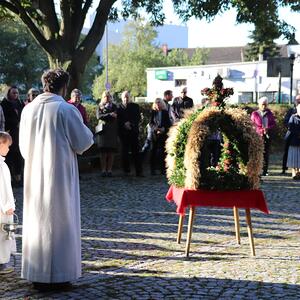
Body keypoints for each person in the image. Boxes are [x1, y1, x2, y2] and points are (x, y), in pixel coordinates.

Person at [19, 69, 94, 291]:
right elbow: (83, 142)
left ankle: (37, 273)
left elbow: (23, 147)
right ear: (64, 87)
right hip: (59, 173)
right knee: (60, 220)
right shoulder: (66, 109)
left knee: (38, 220)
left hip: (35, 171)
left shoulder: (28, 110)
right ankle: (60, 275)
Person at [0, 86, 24, 186]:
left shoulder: (20, 103)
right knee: (9, 155)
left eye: (17, 93)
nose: (15, 95)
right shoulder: (4, 104)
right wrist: (15, 123)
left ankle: (18, 178)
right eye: (13, 93)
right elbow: (3, 119)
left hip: (19, 133)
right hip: (9, 133)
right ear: (8, 93)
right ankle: (9, 179)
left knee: (18, 155)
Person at [0, 132, 16, 275]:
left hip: (4, 207)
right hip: (2, 209)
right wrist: (6, 206)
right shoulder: (1, 166)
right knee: (2, 234)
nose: (9, 149)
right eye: (7, 145)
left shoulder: (2, 164)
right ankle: (1, 261)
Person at [117, 91, 143, 176]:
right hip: (123, 133)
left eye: (127, 97)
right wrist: (124, 124)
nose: (126, 99)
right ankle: (126, 171)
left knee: (136, 152)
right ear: (122, 98)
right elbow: (117, 119)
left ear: (130, 97)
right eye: (124, 97)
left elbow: (137, 117)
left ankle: (139, 171)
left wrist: (130, 123)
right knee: (124, 152)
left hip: (133, 131)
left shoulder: (135, 106)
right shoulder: (118, 107)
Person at [251, 96, 276, 176]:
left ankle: (265, 170)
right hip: (258, 136)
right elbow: (252, 124)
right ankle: (258, 170)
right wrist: (261, 130)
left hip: (267, 135)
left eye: (265, 104)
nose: (264, 106)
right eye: (262, 104)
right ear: (259, 104)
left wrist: (268, 128)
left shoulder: (269, 113)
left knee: (266, 153)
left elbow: (273, 123)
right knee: (258, 153)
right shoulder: (255, 113)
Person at [96, 90, 118, 177]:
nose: (107, 98)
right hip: (102, 131)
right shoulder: (100, 106)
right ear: (103, 97)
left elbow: (115, 116)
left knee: (111, 151)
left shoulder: (114, 106)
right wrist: (109, 115)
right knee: (103, 152)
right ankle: (103, 170)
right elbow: (99, 116)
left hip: (111, 131)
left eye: (108, 96)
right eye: (105, 96)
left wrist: (107, 115)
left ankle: (109, 170)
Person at [149, 98, 171, 175]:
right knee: (153, 151)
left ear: (162, 103)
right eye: (156, 102)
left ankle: (163, 169)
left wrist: (163, 129)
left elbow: (168, 123)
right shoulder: (153, 112)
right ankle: (152, 169)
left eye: (159, 102)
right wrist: (156, 129)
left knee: (163, 152)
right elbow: (151, 123)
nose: (158, 104)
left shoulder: (165, 112)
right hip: (154, 135)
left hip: (163, 134)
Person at [281, 95, 300, 174]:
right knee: (287, 151)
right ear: (295, 100)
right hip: (291, 135)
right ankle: (284, 168)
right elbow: (286, 121)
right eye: (297, 100)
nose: (299, 101)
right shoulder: (291, 110)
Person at [286, 103, 300, 179]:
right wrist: (298, 133)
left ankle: (299, 173)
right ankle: (294, 172)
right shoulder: (293, 117)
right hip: (294, 141)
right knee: (294, 157)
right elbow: (290, 127)